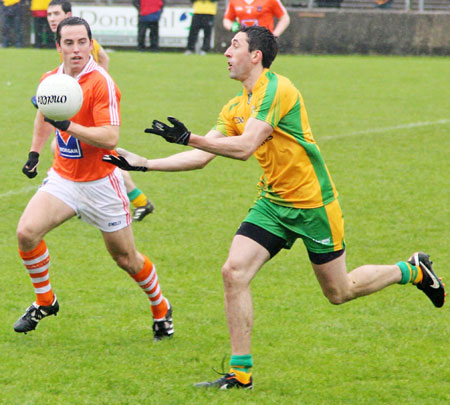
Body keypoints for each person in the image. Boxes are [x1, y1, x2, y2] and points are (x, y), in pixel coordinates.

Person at [103, 26, 446, 388]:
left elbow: (245, 147)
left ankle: (412, 271)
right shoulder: (234, 106)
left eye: (234, 45)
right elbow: (202, 157)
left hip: (313, 204)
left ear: (256, 56)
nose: (226, 53)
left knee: (339, 292)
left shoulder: (278, 88)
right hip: (272, 204)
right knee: (233, 273)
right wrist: (144, 164)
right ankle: (241, 373)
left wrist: (190, 136)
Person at [15, 17, 174, 342]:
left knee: (126, 259)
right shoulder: (51, 79)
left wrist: (68, 126)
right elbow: (44, 113)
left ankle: (161, 307)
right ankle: (46, 301)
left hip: (102, 183)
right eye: (68, 43)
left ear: (91, 44)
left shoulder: (101, 83)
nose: (75, 50)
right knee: (27, 233)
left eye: (81, 42)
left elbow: (110, 137)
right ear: (58, 46)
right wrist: (34, 153)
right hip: (63, 179)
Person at [43, 0, 155, 221]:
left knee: (99, 153)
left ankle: (133, 200)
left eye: (57, 13)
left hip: (92, 106)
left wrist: (92, 88)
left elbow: (103, 58)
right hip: (75, 105)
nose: (52, 18)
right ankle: (138, 200)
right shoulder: (64, 41)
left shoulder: (81, 38)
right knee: (74, 149)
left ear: (68, 14)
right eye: (49, 14)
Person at [223, 0, 290, 37]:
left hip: (264, 39)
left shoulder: (271, 1)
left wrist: (274, 35)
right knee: (243, 61)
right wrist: (232, 27)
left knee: (261, 61)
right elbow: (227, 19)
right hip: (244, 40)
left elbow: (284, 18)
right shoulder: (234, 1)